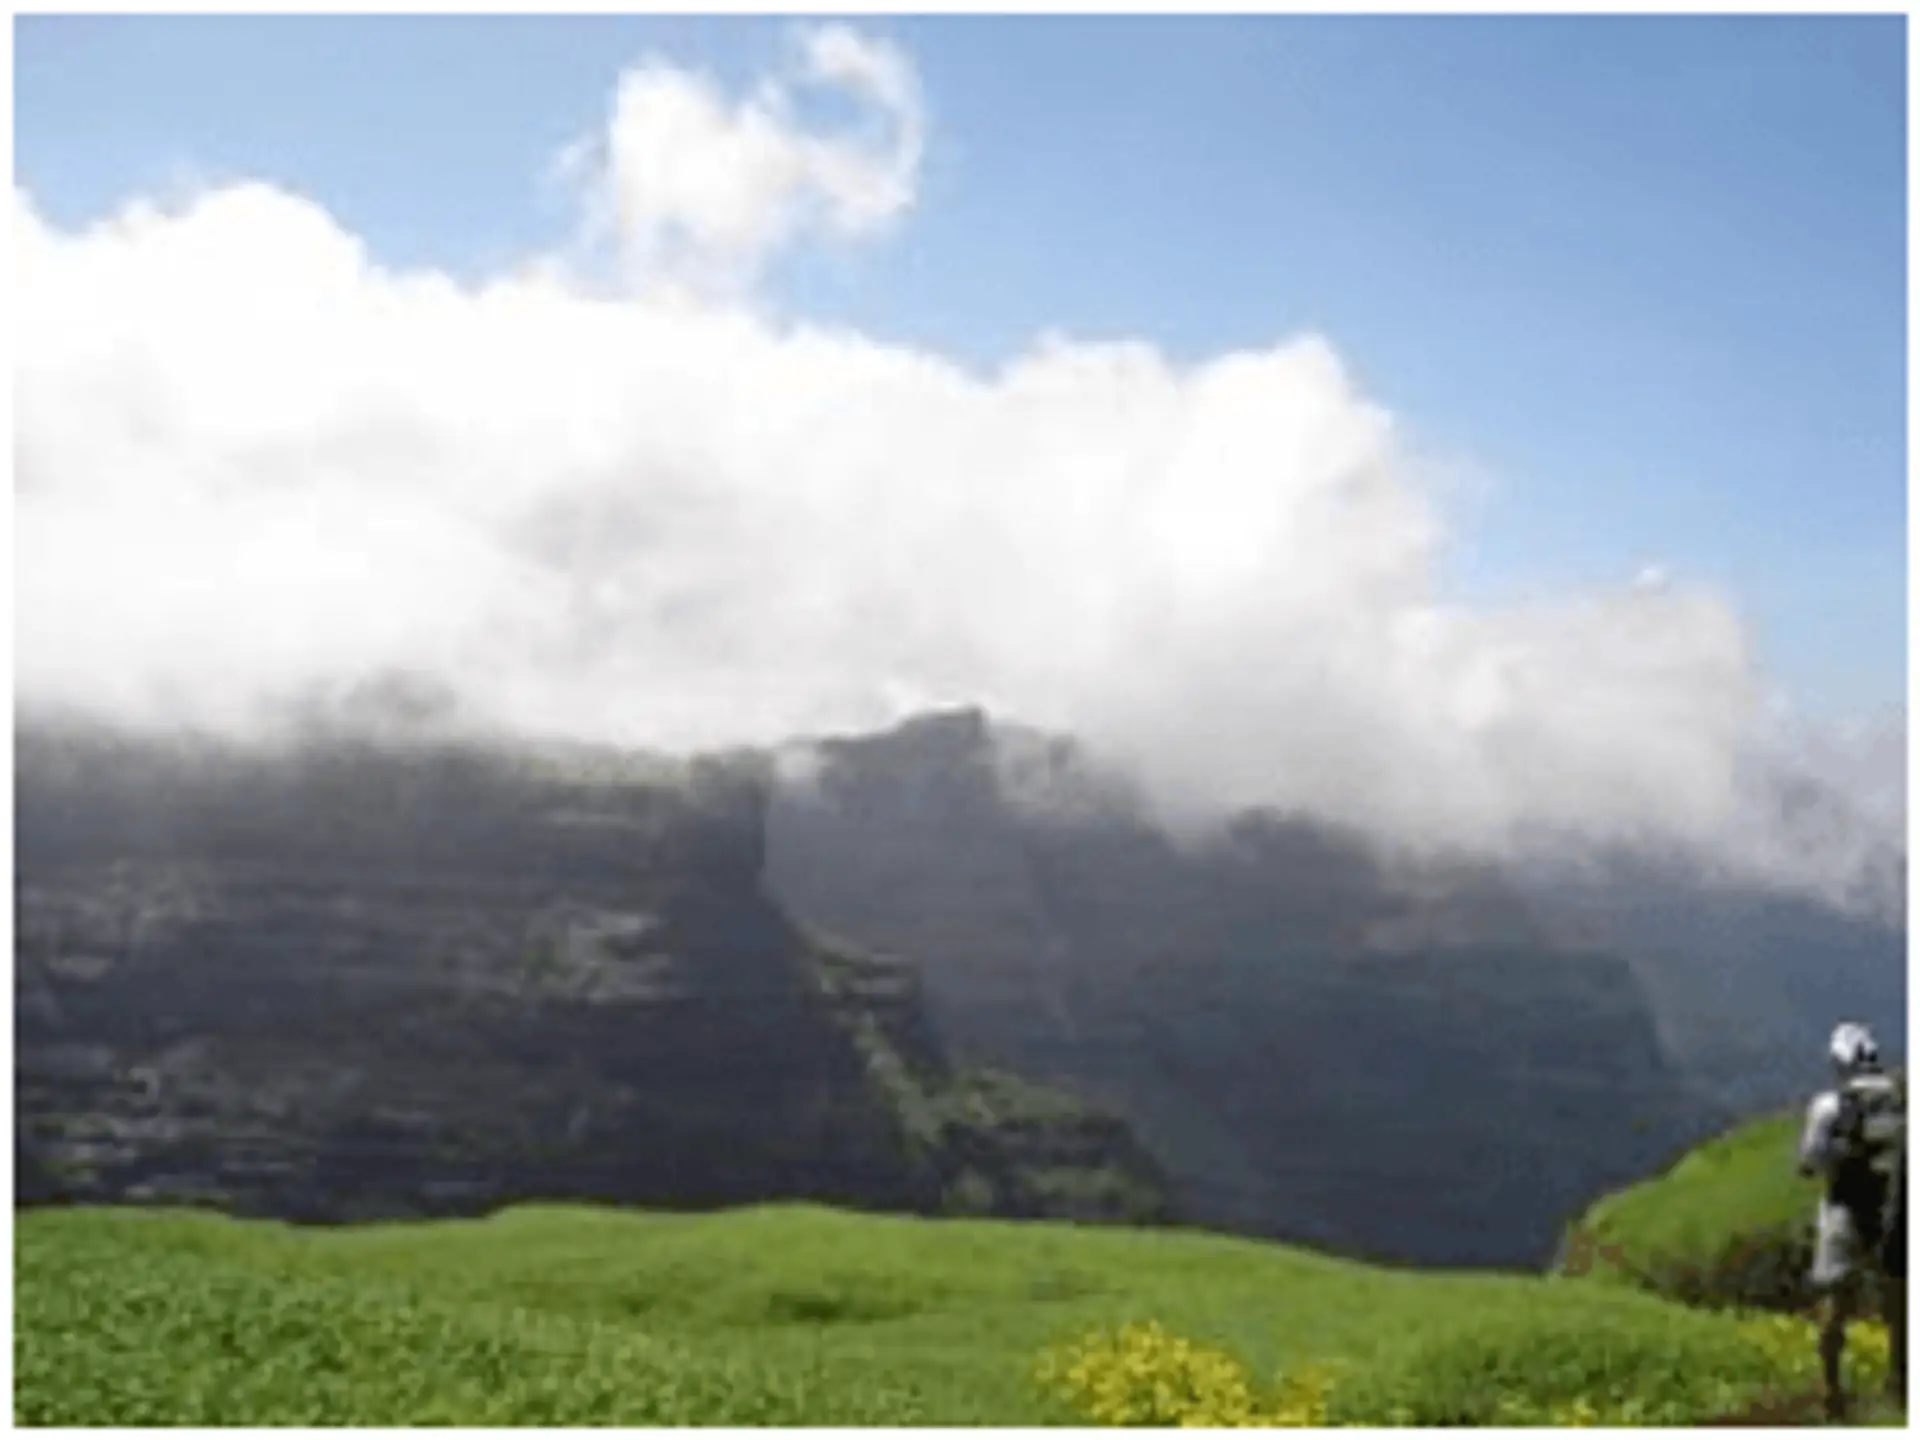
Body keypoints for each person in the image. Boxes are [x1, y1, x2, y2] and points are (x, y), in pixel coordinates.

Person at [1797, 1021, 1906, 1418]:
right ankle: (1901, 1388)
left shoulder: (1830, 1106)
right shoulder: (1899, 1100)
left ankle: (1831, 1391)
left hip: (1844, 1209)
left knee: (1834, 1298)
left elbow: (1809, 1162)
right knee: (1898, 1303)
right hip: (1893, 1208)